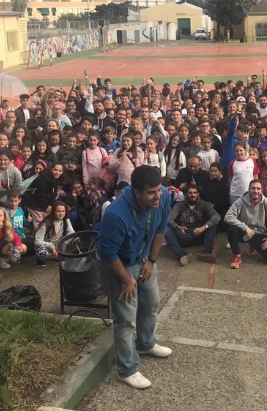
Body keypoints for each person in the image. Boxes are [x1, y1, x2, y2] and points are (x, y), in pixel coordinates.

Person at [96, 165, 172, 390]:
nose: (157, 196)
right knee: (126, 317)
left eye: (158, 190)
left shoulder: (163, 196)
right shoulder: (116, 214)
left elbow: (161, 228)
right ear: (136, 192)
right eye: (151, 193)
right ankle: (127, 369)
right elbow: (107, 253)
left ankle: (145, 343)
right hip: (120, 264)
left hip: (144, 257)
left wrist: (151, 261)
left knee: (150, 303)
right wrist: (127, 280)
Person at [225, 180, 267, 269]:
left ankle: (253, 245)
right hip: (244, 232)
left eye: (258, 188)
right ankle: (237, 255)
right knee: (232, 229)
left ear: (261, 190)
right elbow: (228, 217)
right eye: (253, 188)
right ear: (249, 189)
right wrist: (245, 227)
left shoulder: (266, 202)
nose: (255, 191)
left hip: (259, 233)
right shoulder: (241, 201)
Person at [165, 184, 220, 265]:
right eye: (190, 193)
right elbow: (169, 219)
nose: (193, 195)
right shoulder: (179, 205)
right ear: (186, 194)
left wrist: (203, 227)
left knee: (212, 225)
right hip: (183, 235)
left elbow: (216, 216)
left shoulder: (204, 204)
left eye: (195, 193)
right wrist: (178, 227)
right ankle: (182, 255)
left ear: (198, 194)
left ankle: (206, 253)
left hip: (199, 235)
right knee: (166, 229)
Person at [34, 201, 74, 267]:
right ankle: (43, 258)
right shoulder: (46, 223)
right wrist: (51, 246)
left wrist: (65, 242)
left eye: (63, 211)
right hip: (46, 245)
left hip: (58, 244)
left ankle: (60, 254)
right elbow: (37, 241)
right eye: (58, 211)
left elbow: (71, 233)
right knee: (41, 254)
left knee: (76, 239)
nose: (61, 214)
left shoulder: (66, 220)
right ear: (53, 212)